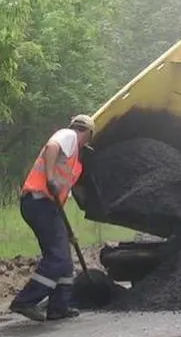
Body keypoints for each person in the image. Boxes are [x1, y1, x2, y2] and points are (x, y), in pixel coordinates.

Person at [8, 114, 95, 322]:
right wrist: (49, 178)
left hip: (48, 207)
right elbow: (51, 147)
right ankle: (25, 301)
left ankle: (58, 307)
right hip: (38, 201)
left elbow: (63, 196)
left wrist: (67, 232)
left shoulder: (75, 161)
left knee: (64, 259)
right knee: (57, 258)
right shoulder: (69, 135)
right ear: (88, 133)